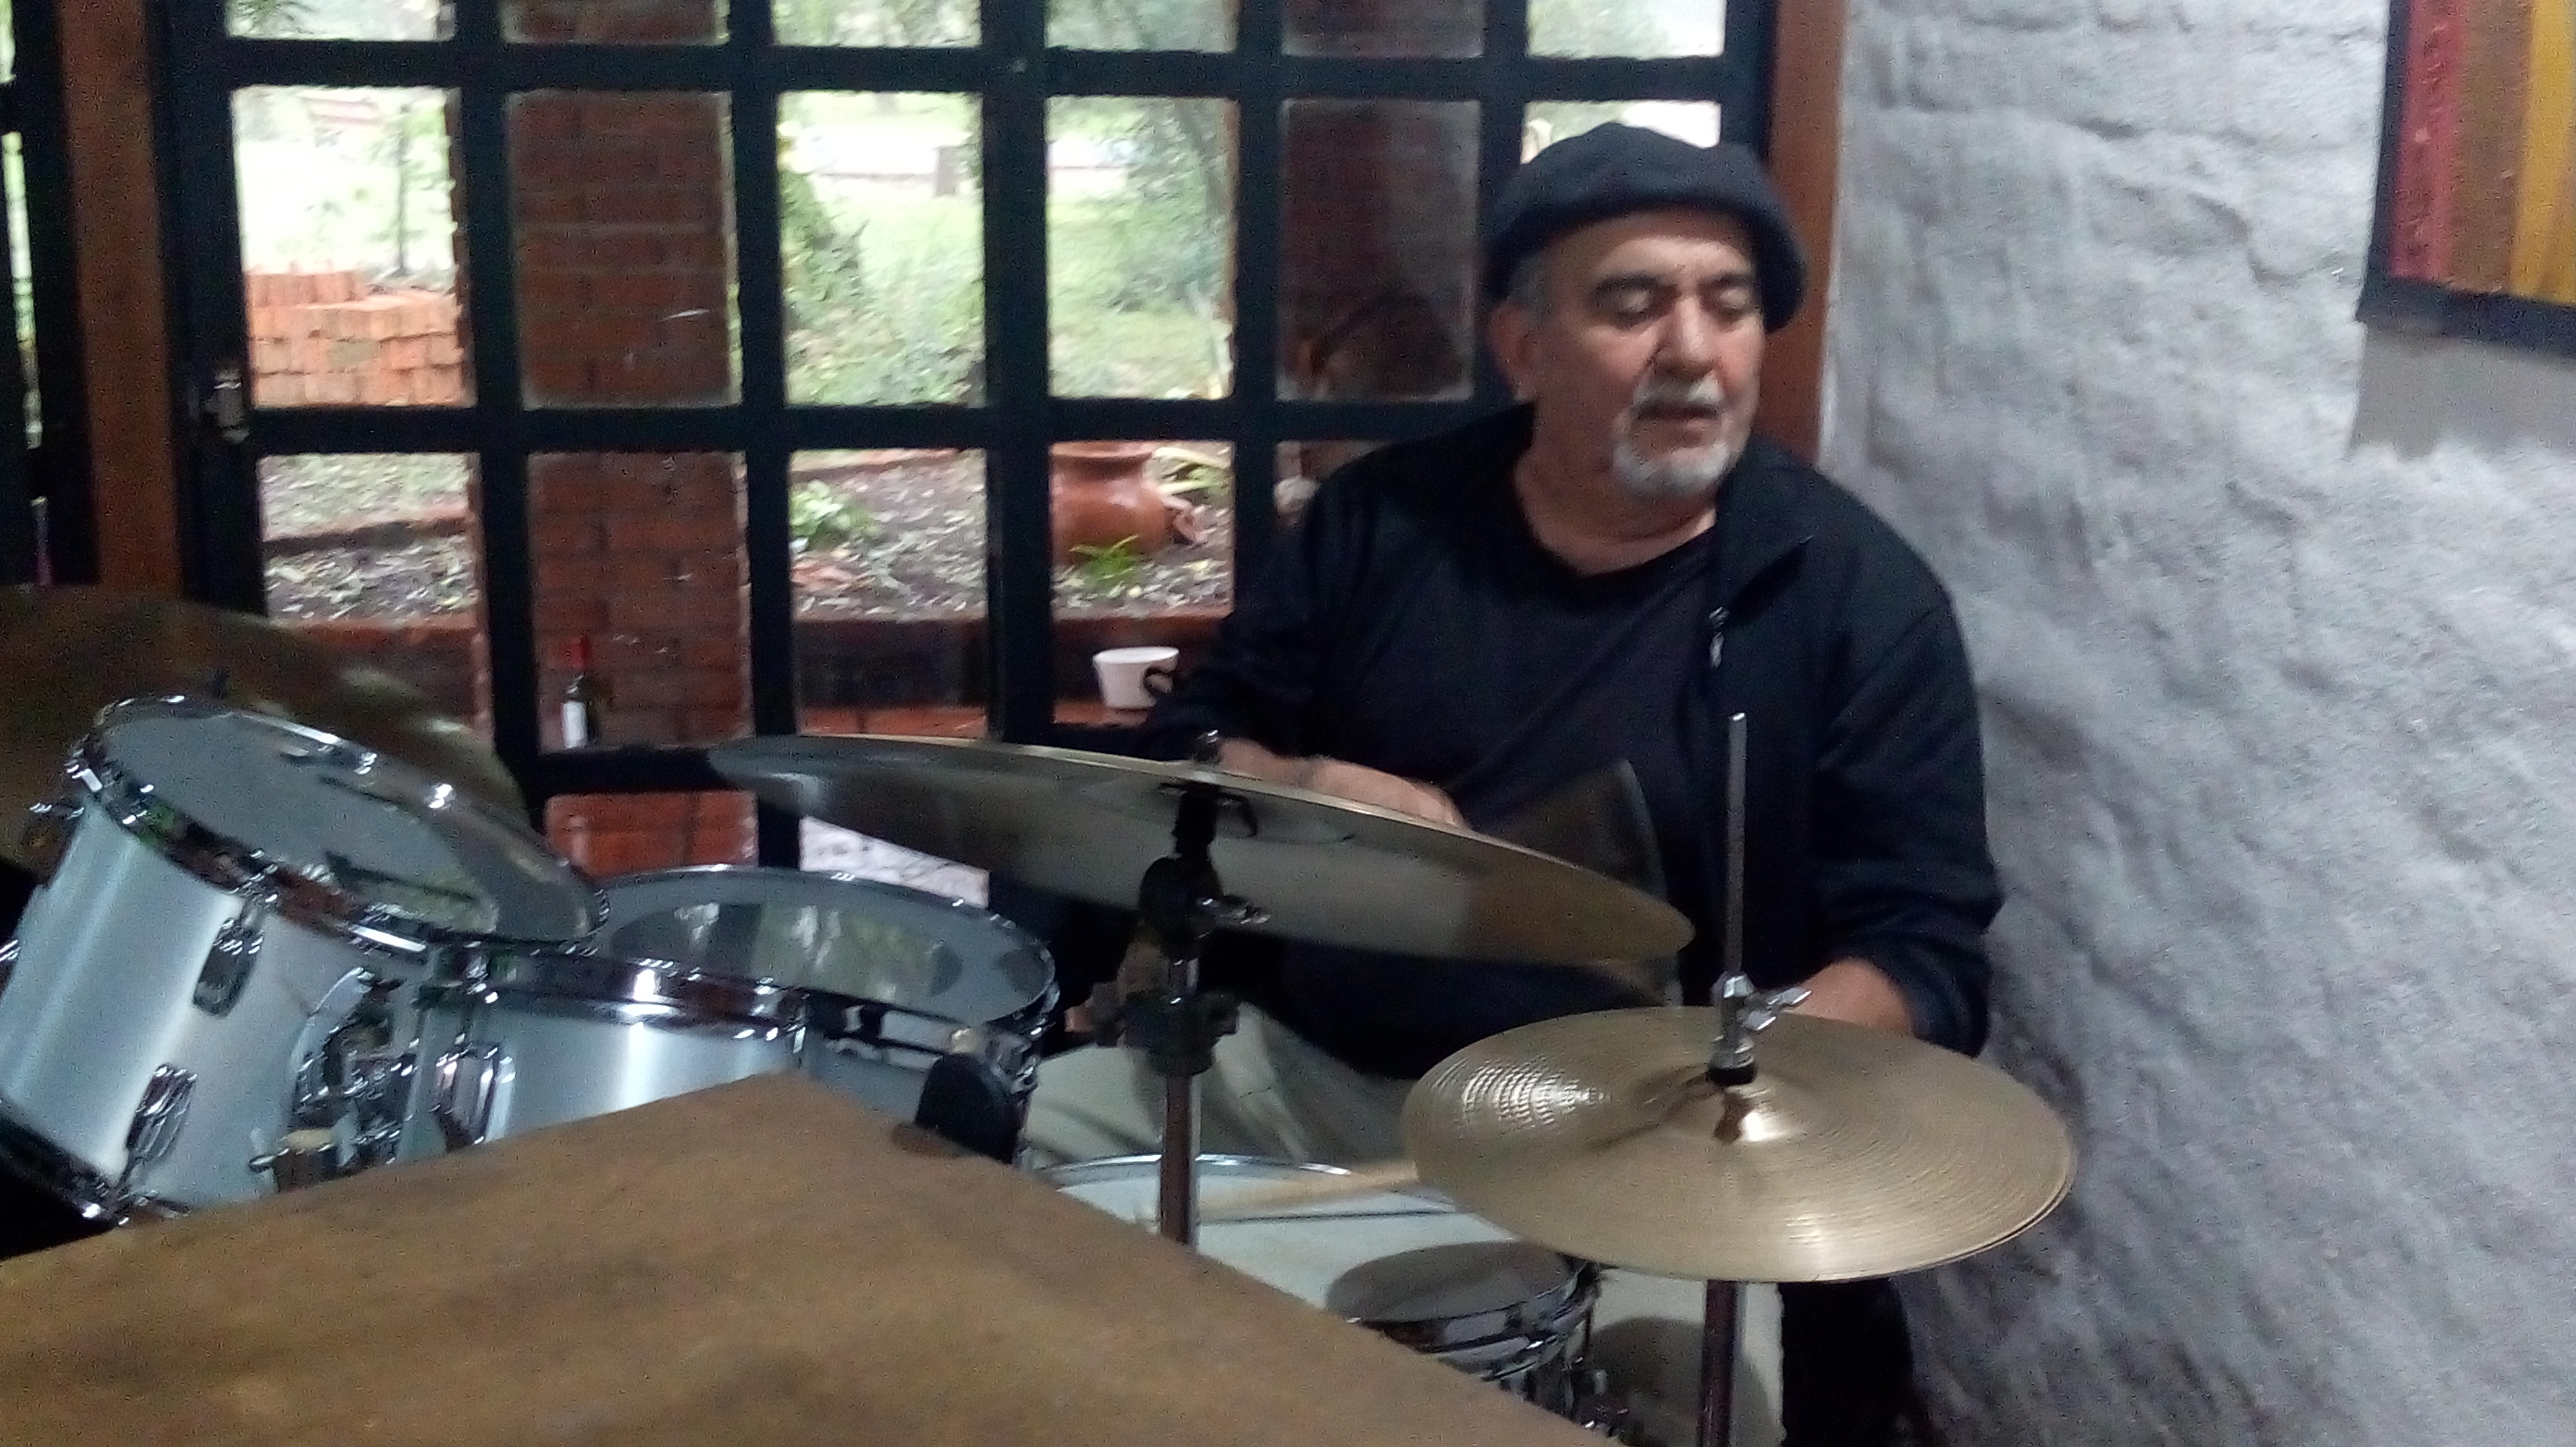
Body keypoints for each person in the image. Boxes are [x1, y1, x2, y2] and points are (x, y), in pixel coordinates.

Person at [1025, 124, 1999, 1447]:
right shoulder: (1382, 523)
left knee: (1715, 1406)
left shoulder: (1855, 600)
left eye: (1728, 306)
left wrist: (1741, 1070)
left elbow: (1923, 943)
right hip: (1314, 1074)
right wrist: (1305, 787)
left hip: (1642, 1138)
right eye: (1632, 304)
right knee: (1011, 1174)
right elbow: (1193, 746)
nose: (1692, 350)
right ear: (1524, 345)